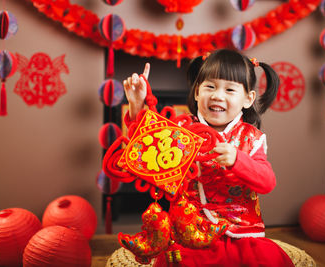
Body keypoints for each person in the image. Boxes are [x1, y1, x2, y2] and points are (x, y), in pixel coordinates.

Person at [123, 49, 294, 267]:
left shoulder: (252, 138)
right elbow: (146, 150)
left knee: (267, 259)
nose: (217, 95)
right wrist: (137, 105)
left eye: (230, 89)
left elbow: (268, 182)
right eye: (210, 87)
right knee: (177, 259)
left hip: (241, 234)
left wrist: (237, 160)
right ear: (196, 92)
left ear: (248, 99)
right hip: (192, 232)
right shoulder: (182, 129)